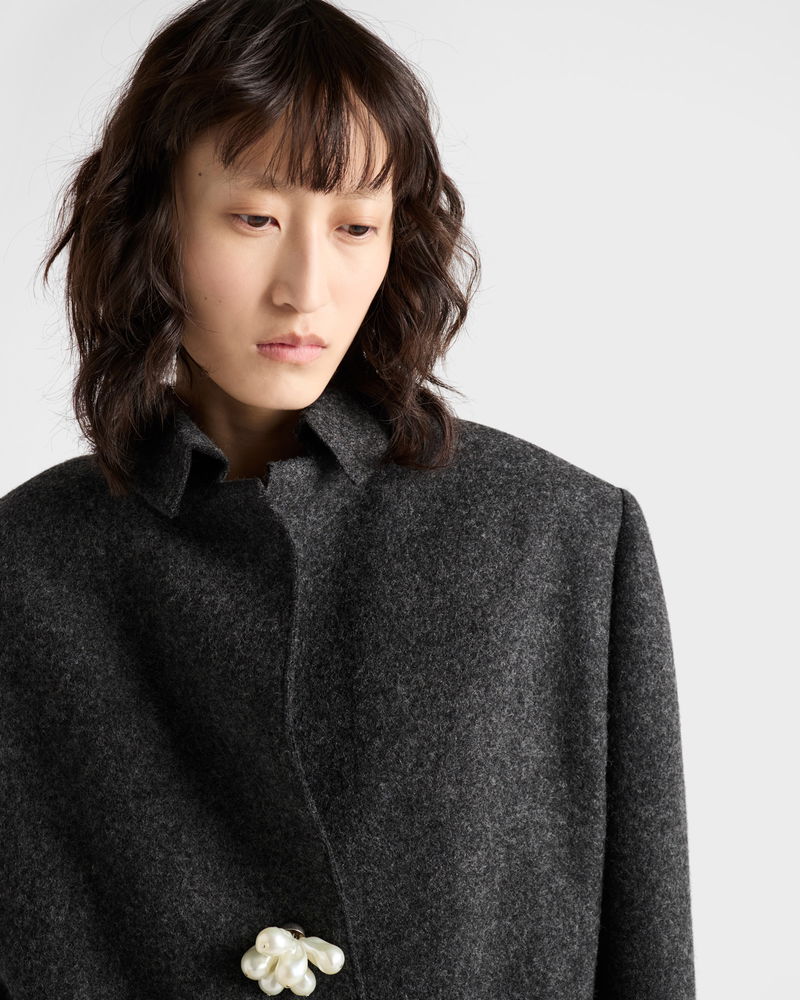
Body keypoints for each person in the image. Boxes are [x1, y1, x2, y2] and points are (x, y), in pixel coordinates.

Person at [0, 0, 696, 998]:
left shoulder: (560, 545)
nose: (305, 287)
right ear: (151, 220)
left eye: (356, 226)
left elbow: (648, 959)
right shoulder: (25, 573)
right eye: (255, 218)